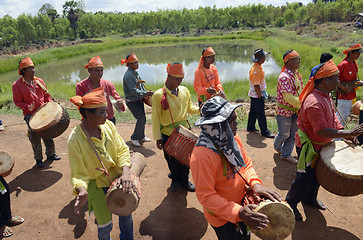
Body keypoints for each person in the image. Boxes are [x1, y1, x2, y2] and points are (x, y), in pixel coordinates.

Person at [190, 96, 282, 240]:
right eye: (231, 121)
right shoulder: (201, 156)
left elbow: (246, 163)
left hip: (243, 206)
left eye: (235, 118)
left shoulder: (232, 138)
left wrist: (255, 183)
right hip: (221, 217)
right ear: (216, 125)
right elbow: (206, 196)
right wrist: (238, 212)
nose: (236, 124)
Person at [285, 59, 363, 221]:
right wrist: (349, 132)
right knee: (304, 178)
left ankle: (309, 199)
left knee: (317, 176)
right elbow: (320, 130)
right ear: (325, 80)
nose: (338, 81)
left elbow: (333, 118)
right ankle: (290, 203)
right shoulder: (314, 102)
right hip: (310, 146)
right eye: (335, 78)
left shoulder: (325, 95)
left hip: (322, 144)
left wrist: (345, 133)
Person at [68, 87, 134, 240]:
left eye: (106, 111)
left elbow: (122, 150)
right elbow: (78, 172)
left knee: (126, 216)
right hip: (97, 186)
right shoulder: (75, 139)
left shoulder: (108, 126)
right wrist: (82, 189)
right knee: (105, 225)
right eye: (102, 112)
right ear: (87, 114)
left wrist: (125, 173)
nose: (107, 115)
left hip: (118, 179)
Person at [152, 63, 200, 192]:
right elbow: (155, 118)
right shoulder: (158, 95)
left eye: (181, 79)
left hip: (184, 133)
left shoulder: (184, 91)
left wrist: (200, 109)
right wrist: (158, 138)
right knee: (171, 159)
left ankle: (184, 180)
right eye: (176, 79)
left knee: (185, 160)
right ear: (168, 77)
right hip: (168, 133)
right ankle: (175, 179)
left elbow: (190, 108)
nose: (179, 82)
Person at [12, 57, 61, 168]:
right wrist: (28, 107)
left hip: (44, 112)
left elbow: (47, 96)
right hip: (30, 115)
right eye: (30, 68)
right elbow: (17, 101)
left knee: (48, 133)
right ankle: (38, 159)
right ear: (23, 71)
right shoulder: (16, 85)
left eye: (33, 67)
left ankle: (51, 154)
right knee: (34, 137)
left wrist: (50, 105)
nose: (33, 70)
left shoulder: (39, 81)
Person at [76, 56, 125, 125]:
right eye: (97, 70)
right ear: (89, 70)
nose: (100, 73)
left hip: (108, 118)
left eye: (101, 70)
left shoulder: (108, 84)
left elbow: (116, 97)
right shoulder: (81, 86)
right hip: (91, 119)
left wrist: (120, 102)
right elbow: (79, 103)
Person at [274, 50, 304, 164]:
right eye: (296, 59)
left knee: (292, 134)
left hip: (295, 111)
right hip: (284, 112)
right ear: (288, 62)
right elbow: (288, 98)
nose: (299, 61)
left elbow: (300, 91)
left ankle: (286, 154)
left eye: (299, 58)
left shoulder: (296, 75)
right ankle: (277, 147)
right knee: (284, 134)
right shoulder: (284, 77)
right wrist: (303, 104)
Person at [121, 53, 154, 147]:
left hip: (138, 100)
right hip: (132, 102)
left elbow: (140, 84)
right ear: (130, 64)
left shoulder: (134, 72)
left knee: (142, 118)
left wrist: (145, 91)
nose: (137, 64)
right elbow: (133, 91)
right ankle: (134, 137)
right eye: (135, 63)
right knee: (141, 119)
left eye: (137, 62)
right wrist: (146, 94)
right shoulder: (128, 76)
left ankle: (141, 136)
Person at [246, 48, 274, 138]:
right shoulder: (256, 70)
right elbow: (256, 85)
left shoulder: (257, 67)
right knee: (261, 113)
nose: (265, 58)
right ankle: (264, 131)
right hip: (256, 94)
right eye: (264, 57)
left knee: (253, 111)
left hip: (254, 94)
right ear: (260, 58)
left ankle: (250, 127)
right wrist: (259, 96)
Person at [336, 43, 363, 127]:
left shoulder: (354, 64)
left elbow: (353, 81)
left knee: (344, 115)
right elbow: (334, 79)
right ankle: (336, 136)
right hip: (343, 95)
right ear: (351, 53)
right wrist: (343, 88)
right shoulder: (343, 65)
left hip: (350, 94)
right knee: (342, 116)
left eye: (359, 53)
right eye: (357, 52)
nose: (359, 54)